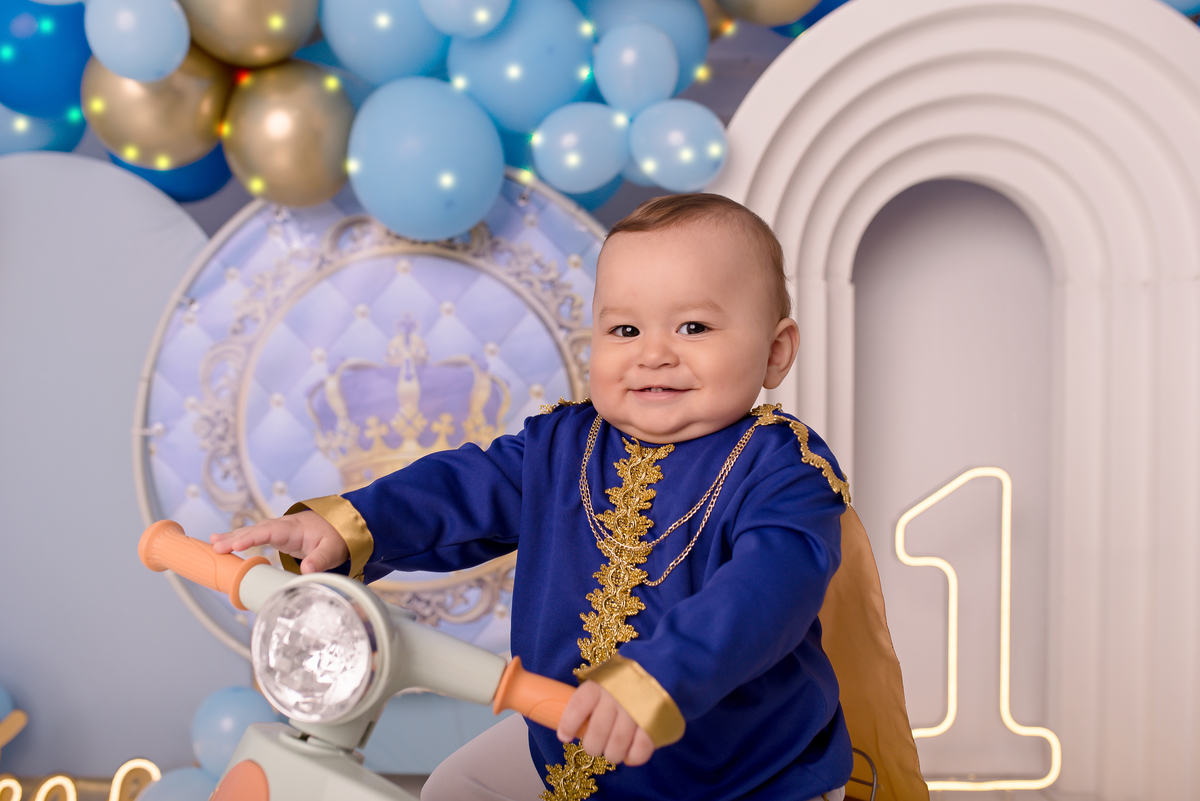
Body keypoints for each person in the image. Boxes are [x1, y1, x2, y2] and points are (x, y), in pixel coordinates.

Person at [212, 193, 853, 801]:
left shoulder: (784, 469)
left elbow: (767, 590)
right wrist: (352, 525)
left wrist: (660, 676)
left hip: (742, 773)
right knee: (453, 788)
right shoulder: (563, 443)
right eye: (624, 329)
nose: (654, 354)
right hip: (565, 736)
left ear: (776, 352)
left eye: (693, 326)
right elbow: (457, 494)